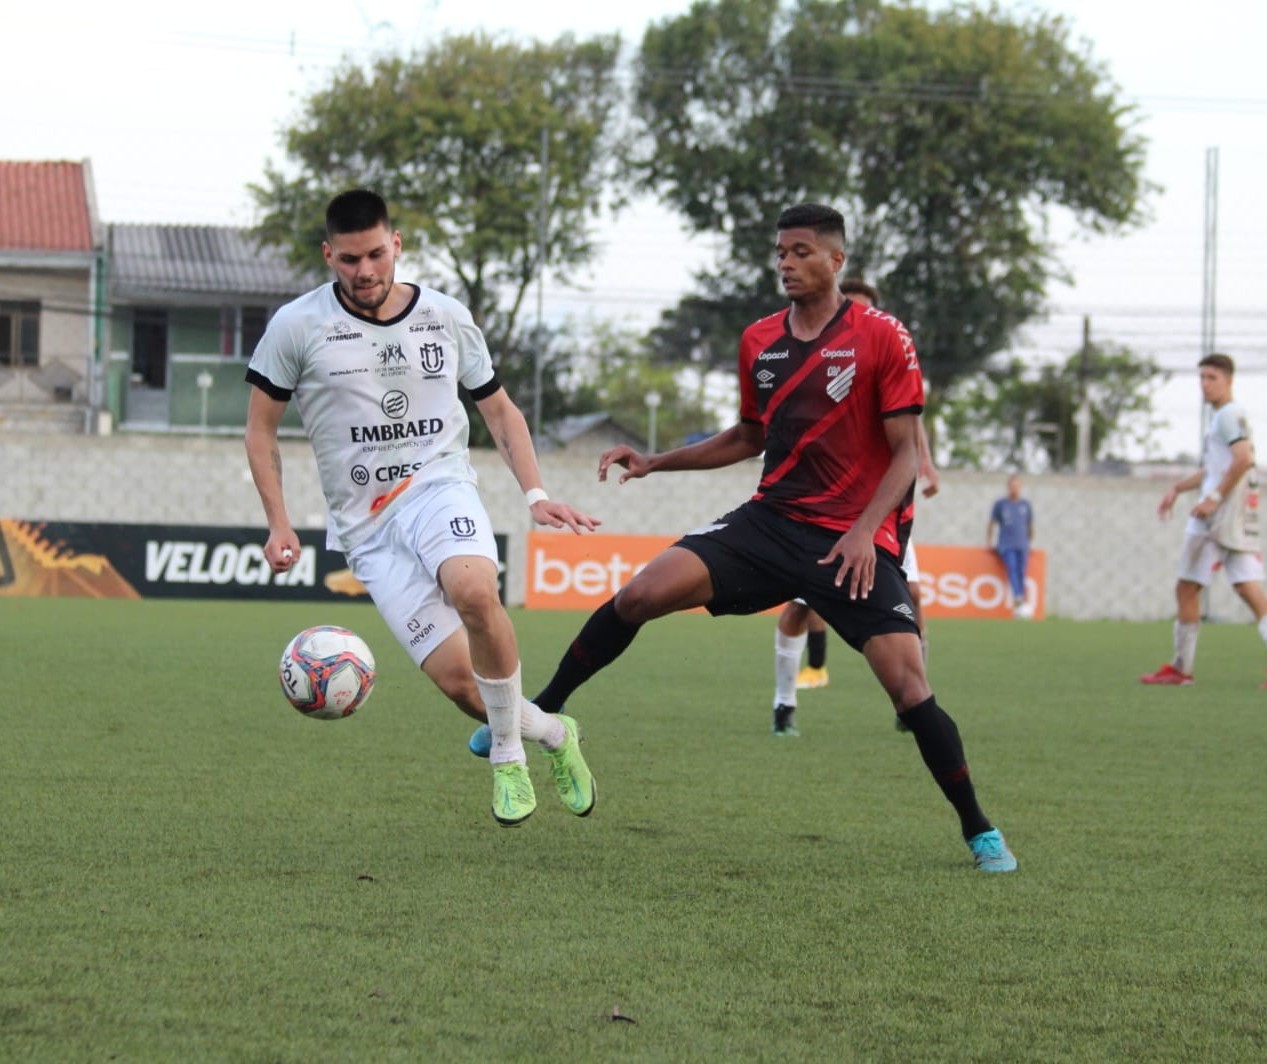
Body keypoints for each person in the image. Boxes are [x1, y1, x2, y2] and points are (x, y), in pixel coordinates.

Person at [527, 202, 1016, 872]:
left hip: (853, 543)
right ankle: (545, 712)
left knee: (908, 687)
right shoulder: (759, 340)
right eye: (780, 251)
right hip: (769, 521)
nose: (785, 262)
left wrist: (864, 535)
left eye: (801, 251)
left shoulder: (883, 336)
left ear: (836, 259)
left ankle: (979, 829)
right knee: (641, 594)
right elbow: (748, 437)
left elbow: (906, 455)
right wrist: (654, 459)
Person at [244, 188, 599, 827]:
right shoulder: (296, 327)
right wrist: (279, 521)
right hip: (366, 528)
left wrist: (536, 495)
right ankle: (554, 734)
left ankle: (509, 761)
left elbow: (499, 410)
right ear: (329, 256)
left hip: (438, 486)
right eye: (349, 259)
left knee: (473, 590)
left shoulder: (445, 316)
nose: (366, 271)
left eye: (377, 254)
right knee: (467, 689)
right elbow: (260, 431)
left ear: (397, 246)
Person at [771, 277, 939, 738]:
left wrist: (927, 464)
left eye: (863, 310)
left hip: (887, 516)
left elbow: (908, 426)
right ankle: (784, 703)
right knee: (799, 608)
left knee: (916, 599)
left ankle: (915, 705)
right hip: (826, 514)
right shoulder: (822, 363)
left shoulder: (888, 351)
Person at [1141, 352, 1267, 685]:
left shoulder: (1227, 415)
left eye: (1212, 378)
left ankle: (1182, 669)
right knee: (1249, 590)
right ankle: (1181, 668)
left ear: (1229, 380)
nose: (1205, 385)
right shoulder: (1230, 417)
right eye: (1201, 378)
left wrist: (1212, 499)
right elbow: (1217, 467)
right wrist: (1178, 487)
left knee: (1186, 587)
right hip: (1235, 517)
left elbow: (1242, 460)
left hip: (1215, 518)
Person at [987, 474, 1035, 618]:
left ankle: (1021, 602)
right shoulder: (1001, 504)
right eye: (1012, 485)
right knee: (1012, 568)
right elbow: (992, 523)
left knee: (1021, 571)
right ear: (1008, 487)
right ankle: (1019, 599)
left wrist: (1030, 542)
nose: (1014, 488)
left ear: (1021, 487)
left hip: (1022, 544)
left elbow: (1030, 525)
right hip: (1006, 544)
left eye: (1017, 486)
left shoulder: (1025, 505)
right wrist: (989, 542)